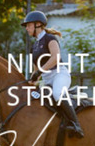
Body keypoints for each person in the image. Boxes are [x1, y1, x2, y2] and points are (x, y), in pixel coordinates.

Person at [21, 10, 84, 138]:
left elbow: (55, 57)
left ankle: (76, 125)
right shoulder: (35, 46)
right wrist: (31, 81)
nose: (27, 28)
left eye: (29, 25)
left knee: (57, 94)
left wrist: (40, 71)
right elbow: (35, 69)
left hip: (59, 74)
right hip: (47, 79)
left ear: (38, 24)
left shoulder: (50, 39)